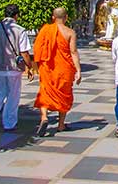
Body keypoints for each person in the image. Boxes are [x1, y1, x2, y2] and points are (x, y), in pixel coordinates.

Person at [33, 7, 82, 137]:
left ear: (53, 17)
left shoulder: (45, 30)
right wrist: (78, 70)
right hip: (64, 69)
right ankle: (61, 125)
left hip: (47, 67)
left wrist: (36, 66)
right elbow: (73, 52)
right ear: (66, 17)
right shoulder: (70, 32)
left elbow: (37, 48)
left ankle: (44, 117)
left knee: (45, 92)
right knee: (64, 95)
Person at [0, 4, 34, 131]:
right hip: (14, 69)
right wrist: (30, 67)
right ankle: (9, 123)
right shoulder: (20, 30)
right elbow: (24, 52)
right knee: (13, 96)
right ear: (16, 15)